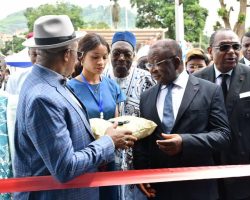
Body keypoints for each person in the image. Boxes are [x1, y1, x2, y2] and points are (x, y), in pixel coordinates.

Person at [13, 15, 137, 200]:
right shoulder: (43, 97)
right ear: (66, 54)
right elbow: (65, 167)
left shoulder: (48, 82)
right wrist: (108, 142)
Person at [133, 39, 231, 200]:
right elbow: (144, 142)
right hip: (160, 190)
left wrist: (184, 142)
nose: (152, 71)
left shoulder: (209, 91)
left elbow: (223, 135)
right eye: (149, 65)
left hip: (198, 188)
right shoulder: (146, 97)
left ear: (176, 61)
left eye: (157, 64)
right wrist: (141, 174)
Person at [194, 28, 250, 200]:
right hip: (209, 168)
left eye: (235, 46)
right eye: (224, 47)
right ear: (211, 51)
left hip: (245, 168)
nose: (232, 52)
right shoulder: (196, 80)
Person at [67, 33, 126, 200]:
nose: (100, 62)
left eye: (104, 57)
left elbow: (116, 121)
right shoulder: (69, 88)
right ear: (81, 57)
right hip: (84, 157)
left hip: (109, 157)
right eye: (95, 57)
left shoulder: (111, 85)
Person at [104, 31, 155, 200]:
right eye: (116, 53)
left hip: (139, 160)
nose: (121, 58)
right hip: (106, 159)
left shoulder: (147, 80)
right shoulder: (99, 78)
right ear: (110, 53)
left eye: (127, 54)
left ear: (134, 55)